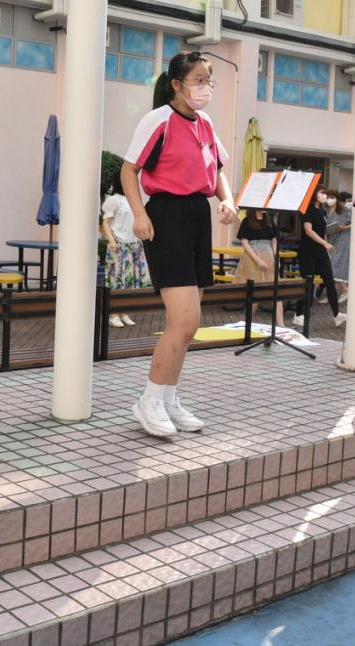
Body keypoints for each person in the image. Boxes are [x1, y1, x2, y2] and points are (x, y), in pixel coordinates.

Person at [123, 51, 238, 438]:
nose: (205, 88)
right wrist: (140, 214)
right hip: (166, 216)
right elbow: (129, 170)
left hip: (197, 216)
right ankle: (149, 401)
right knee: (184, 320)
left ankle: (169, 399)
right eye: (198, 80)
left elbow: (217, 169)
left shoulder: (205, 123)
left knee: (188, 325)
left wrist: (227, 199)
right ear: (176, 85)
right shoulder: (158, 120)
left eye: (208, 81)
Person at [102, 175, 150, 328]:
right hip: (119, 245)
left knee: (129, 282)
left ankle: (123, 312)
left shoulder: (131, 200)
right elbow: (105, 222)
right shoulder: (114, 200)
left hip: (133, 245)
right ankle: (112, 314)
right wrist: (111, 241)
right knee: (116, 280)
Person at [294, 189, 346, 328]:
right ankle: (299, 314)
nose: (325, 196)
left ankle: (337, 315)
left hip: (321, 252)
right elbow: (308, 230)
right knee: (308, 284)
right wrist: (325, 243)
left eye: (326, 194)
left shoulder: (323, 212)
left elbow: (322, 232)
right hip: (308, 252)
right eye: (322, 193)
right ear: (314, 195)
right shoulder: (307, 210)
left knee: (330, 281)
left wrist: (326, 246)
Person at [234, 208, 283, 327]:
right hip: (252, 258)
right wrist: (258, 260)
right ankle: (247, 323)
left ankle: (281, 324)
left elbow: (274, 240)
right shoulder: (247, 221)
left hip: (269, 257)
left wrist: (276, 256)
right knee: (256, 292)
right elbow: (245, 243)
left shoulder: (269, 220)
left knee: (276, 291)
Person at [325, 190, 352, 302]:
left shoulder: (344, 211)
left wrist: (343, 227)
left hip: (342, 239)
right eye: (328, 197)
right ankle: (333, 294)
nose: (329, 200)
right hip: (331, 240)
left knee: (335, 266)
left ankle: (345, 290)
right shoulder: (325, 211)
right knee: (331, 267)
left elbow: (352, 223)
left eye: (332, 197)